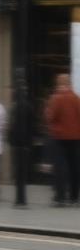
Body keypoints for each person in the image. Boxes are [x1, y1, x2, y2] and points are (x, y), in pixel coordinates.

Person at [45, 73, 80, 207]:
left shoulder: (56, 98)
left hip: (60, 138)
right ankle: (74, 197)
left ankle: (60, 197)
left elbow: (50, 117)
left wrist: (47, 110)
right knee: (74, 168)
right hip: (76, 138)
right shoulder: (76, 98)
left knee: (60, 168)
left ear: (59, 83)